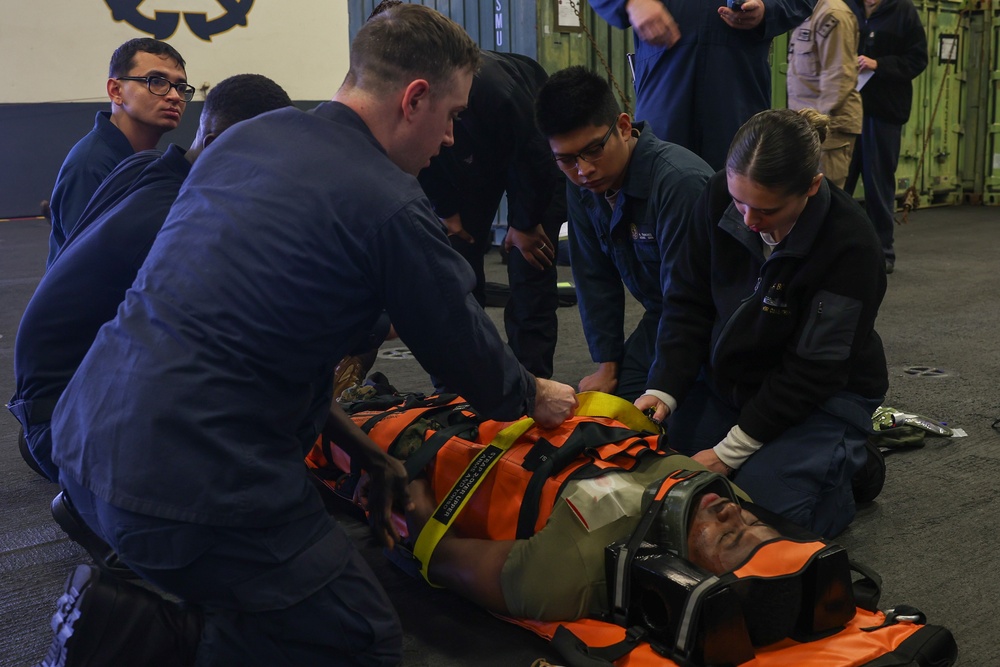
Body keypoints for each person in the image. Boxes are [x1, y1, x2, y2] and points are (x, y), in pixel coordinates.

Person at [36, 5, 578, 667]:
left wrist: (368, 453)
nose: (448, 139)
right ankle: (135, 646)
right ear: (415, 99)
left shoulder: (246, 141)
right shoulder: (392, 205)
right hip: (188, 482)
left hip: (84, 440)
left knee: (261, 600)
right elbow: (470, 358)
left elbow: (236, 341)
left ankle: (142, 615)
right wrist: (534, 393)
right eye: (452, 115)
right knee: (357, 634)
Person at [8, 74, 294, 483]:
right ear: (215, 147)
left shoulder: (146, 166)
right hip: (69, 422)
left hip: (51, 400)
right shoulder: (179, 223)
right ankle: (103, 510)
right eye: (260, 161)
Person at [635, 109, 888, 538]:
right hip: (736, 376)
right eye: (739, 202)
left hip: (824, 393)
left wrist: (731, 450)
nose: (749, 221)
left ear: (811, 186)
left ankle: (851, 464)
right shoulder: (715, 194)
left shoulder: (852, 246)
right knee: (662, 485)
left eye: (766, 210)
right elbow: (686, 302)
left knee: (760, 518)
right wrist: (665, 387)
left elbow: (813, 370)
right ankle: (809, 457)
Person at [405, 454, 777, 621]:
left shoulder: (562, 576)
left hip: (440, 443)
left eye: (728, 537)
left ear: (683, 576)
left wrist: (408, 477)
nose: (731, 511)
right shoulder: (724, 492)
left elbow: (439, 555)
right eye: (751, 521)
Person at [534, 66, 713, 402]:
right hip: (662, 318)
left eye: (593, 150)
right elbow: (592, 276)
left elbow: (690, 303)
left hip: (713, 322)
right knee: (614, 408)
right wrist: (608, 362)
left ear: (623, 127)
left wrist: (664, 390)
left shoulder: (679, 184)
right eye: (567, 159)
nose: (583, 170)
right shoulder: (584, 184)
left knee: (666, 426)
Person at [417, 49, 567, 379]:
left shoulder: (498, 90)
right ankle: (461, 382)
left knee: (530, 264)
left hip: (531, 157)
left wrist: (525, 224)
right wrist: (447, 211)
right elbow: (421, 152)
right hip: (469, 159)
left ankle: (533, 385)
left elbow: (536, 157)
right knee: (456, 264)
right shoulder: (403, 90)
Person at [589, 0, 816, 170]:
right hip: (665, 87)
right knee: (659, 184)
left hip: (737, 91)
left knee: (736, 197)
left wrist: (769, 9)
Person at [45, 37, 190, 267]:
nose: (174, 96)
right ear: (116, 91)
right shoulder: (90, 165)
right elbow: (90, 268)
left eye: (180, 87)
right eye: (156, 81)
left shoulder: (147, 162)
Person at [844, 0, 928, 274]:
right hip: (845, 109)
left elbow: (917, 59)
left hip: (882, 114)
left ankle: (883, 252)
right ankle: (836, 249)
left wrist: (878, 64)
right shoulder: (846, 7)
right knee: (838, 184)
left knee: (878, 185)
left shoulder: (904, 12)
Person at [786, 0, 863, 187]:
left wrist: (815, 122)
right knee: (807, 194)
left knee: (827, 195)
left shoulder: (833, 14)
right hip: (807, 124)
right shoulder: (804, 12)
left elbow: (839, 77)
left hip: (829, 127)